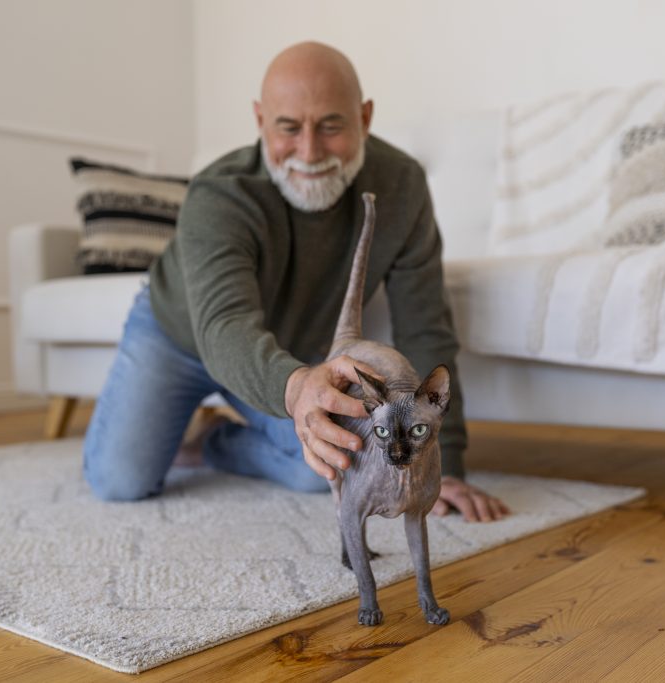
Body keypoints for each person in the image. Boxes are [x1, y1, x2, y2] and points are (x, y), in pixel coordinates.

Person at [83, 41, 509, 522]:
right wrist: (299, 387)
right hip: (183, 337)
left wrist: (443, 465)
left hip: (288, 351)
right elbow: (224, 326)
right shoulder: (218, 194)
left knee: (330, 463)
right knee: (119, 480)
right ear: (260, 120)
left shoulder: (401, 185)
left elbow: (424, 325)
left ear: (365, 118)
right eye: (288, 127)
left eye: (331, 126)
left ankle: (217, 443)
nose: (309, 151)